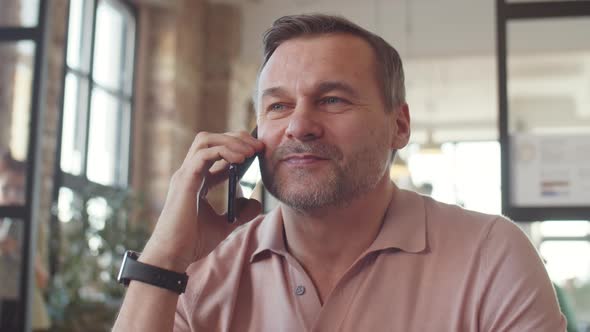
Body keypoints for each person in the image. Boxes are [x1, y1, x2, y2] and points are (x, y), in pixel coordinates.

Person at [113, 14, 566, 331]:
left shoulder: (492, 257)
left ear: (399, 125)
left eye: (332, 100)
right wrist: (166, 258)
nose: (299, 126)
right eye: (278, 105)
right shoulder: (201, 274)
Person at [0, 151, 51, 331]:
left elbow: (43, 280)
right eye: (6, 189)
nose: (12, 196)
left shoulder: (34, 226)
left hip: (29, 316)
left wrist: (21, 252)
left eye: (19, 189)